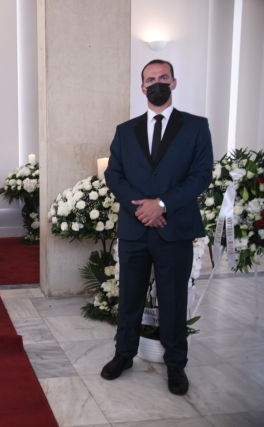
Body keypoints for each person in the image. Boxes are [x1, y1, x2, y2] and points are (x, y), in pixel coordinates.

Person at [102, 60, 213, 395]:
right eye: (150, 79)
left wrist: (161, 204)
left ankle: (176, 363)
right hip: (135, 228)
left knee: (173, 299)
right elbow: (113, 175)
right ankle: (124, 354)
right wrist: (143, 208)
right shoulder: (125, 131)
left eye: (163, 77)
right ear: (142, 87)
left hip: (174, 227)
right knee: (129, 297)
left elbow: (201, 175)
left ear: (174, 82)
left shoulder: (196, 127)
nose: (157, 83)